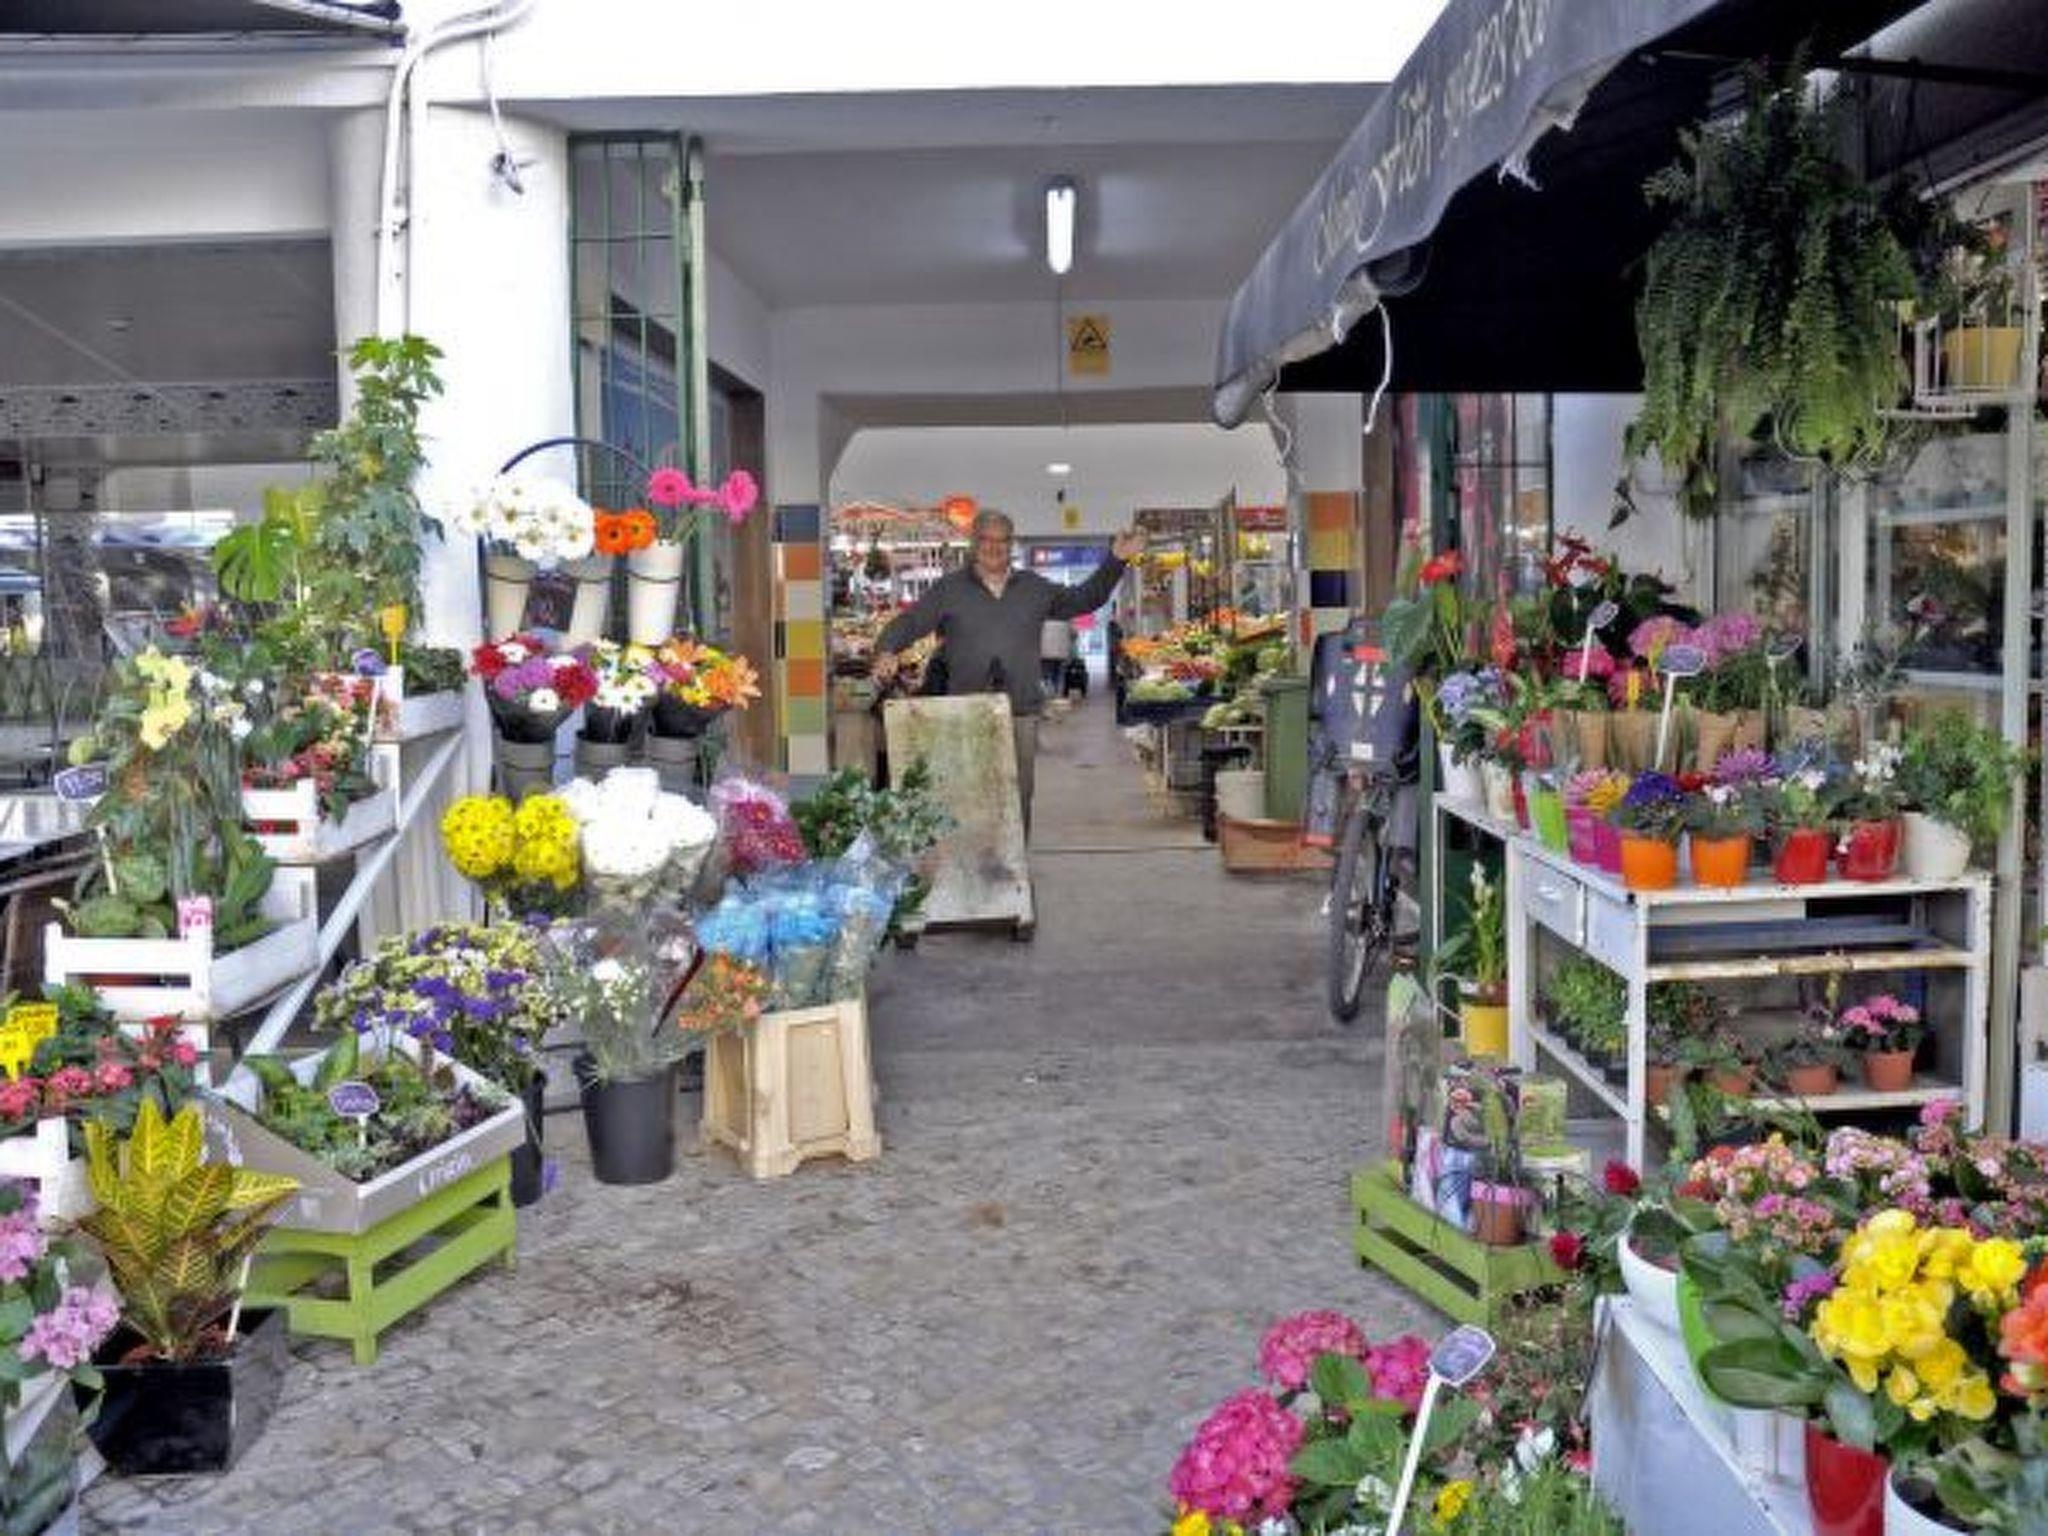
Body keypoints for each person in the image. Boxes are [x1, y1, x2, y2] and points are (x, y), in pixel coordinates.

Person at [872, 510, 1142, 834]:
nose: (994, 547)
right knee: (969, 797)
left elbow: (1084, 598)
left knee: (1017, 799)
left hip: (1020, 714)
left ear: (1011, 544)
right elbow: (912, 621)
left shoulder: (1033, 588)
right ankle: (973, 862)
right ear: (974, 543)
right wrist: (887, 649)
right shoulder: (949, 590)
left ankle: (1015, 863)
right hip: (967, 714)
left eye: (1002, 540)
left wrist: (1116, 560)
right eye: (986, 539)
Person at [1039, 616, 1074, 701]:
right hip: (1061, 653)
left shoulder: (1041, 620)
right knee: (1059, 674)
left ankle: (1046, 695)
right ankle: (1058, 696)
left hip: (1045, 653)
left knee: (1045, 674)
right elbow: (1074, 634)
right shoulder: (1066, 620)